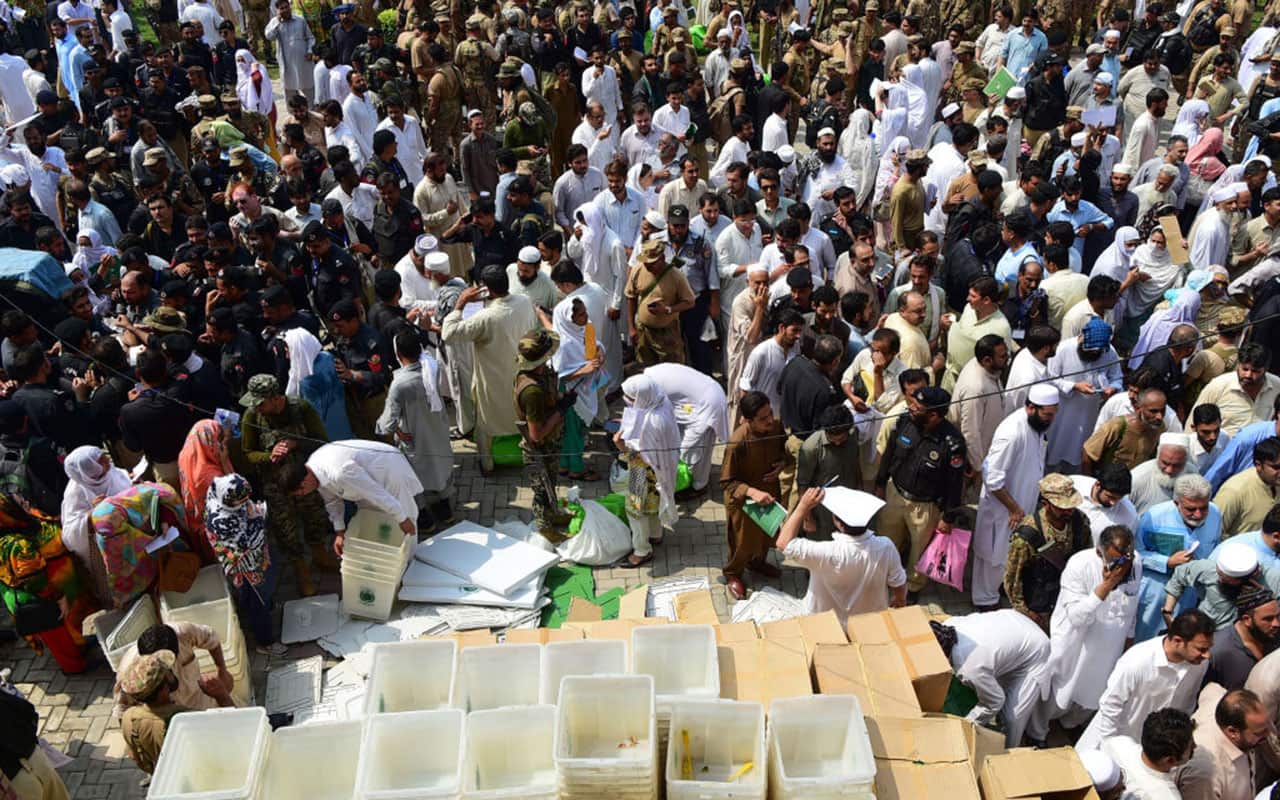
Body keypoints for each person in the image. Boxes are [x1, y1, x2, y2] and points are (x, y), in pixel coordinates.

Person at [239, 374, 334, 597]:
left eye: (261, 403)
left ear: (276, 399)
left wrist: (296, 444)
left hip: (304, 478)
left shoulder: (301, 408)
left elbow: (323, 441)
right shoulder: (252, 416)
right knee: (286, 530)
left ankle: (321, 557)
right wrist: (268, 456)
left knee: (315, 518)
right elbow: (247, 454)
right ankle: (302, 572)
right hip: (275, 485)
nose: (257, 408)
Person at [1043, 525, 1141, 732]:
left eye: (1127, 558)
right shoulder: (1080, 565)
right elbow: (1077, 618)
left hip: (1109, 646)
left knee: (1094, 693)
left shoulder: (1134, 562)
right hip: (1077, 643)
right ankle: (1039, 730)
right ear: (1100, 552)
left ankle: (1069, 726)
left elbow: (1132, 602)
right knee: (1060, 692)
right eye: (1116, 560)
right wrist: (1107, 585)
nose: (1123, 566)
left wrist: (1129, 639)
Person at [440, 264, 536, 475]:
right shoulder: (525, 302)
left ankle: (488, 466)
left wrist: (461, 303)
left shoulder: (486, 317)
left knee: (486, 425)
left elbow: (448, 333)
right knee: (522, 420)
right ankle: (530, 460)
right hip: (522, 378)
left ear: (486, 289)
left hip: (492, 382)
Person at [1075, 609, 1215, 751]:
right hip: (1118, 742)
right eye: (1201, 649)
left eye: (1209, 648)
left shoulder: (1199, 664)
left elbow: (1187, 703)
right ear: (1178, 641)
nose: (1207, 655)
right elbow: (1111, 706)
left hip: (1155, 751)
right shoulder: (1137, 661)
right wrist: (1111, 747)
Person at [973, 383, 1059, 611]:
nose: (1050, 419)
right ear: (1031, 407)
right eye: (1047, 414)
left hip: (1022, 507)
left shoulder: (1037, 426)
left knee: (1008, 555)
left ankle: (998, 591)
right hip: (1003, 510)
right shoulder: (1012, 432)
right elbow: (992, 478)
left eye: (1053, 414)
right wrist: (1013, 508)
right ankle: (984, 603)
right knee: (993, 557)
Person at [874, 386, 967, 594]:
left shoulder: (952, 444)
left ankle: (912, 589)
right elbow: (889, 454)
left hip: (925, 507)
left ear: (933, 415)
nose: (910, 408)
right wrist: (880, 485)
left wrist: (948, 517)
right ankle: (883, 578)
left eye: (917, 407)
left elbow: (955, 484)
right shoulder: (905, 422)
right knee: (886, 541)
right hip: (895, 493)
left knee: (919, 551)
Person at [777, 486, 906, 624]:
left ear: (839, 524)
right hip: (868, 622)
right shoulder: (886, 546)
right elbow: (898, 582)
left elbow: (783, 543)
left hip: (824, 622)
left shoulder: (824, 552)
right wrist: (899, 600)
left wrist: (802, 506)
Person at [932, 609, 1052, 747]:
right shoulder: (948, 625)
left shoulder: (970, 668)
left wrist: (968, 723)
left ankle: (1010, 751)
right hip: (1013, 624)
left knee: (1012, 717)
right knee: (994, 682)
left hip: (1036, 650)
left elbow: (995, 701)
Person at [282, 440, 423, 556]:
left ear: (305, 481)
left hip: (388, 470)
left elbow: (376, 493)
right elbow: (332, 502)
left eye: (301, 492)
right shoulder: (314, 472)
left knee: (406, 520)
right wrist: (340, 532)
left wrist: (402, 518)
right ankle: (386, 559)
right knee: (372, 518)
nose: (303, 494)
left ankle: (411, 564)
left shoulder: (340, 472)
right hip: (363, 480)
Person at [375, 330, 454, 532]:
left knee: (415, 480)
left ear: (398, 354)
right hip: (437, 431)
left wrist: (395, 431)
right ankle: (445, 511)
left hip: (415, 438)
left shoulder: (400, 384)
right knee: (440, 470)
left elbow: (388, 423)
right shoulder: (432, 368)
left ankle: (425, 520)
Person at [1134, 474, 1224, 641]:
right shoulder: (1154, 517)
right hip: (1157, 592)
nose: (1198, 514)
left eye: (1203, 508)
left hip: (1191, 594)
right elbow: (1136, 553)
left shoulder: (1215, 514)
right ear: (1177, 503)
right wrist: (1166, 562)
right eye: (1191, 509)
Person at [203, 474, 285, 657]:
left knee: (254, 595)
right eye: (239, 502)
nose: (245, 504)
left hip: (253, 561)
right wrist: (258, 518)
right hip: (245, 566)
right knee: (258, 600)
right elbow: (244, 546)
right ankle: (265, 642)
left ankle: (258, 611)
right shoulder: (221, 519)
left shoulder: (219, 491)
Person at [720, 390, 791, 600]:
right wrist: (752, 492)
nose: (770, 420)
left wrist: (781, 465)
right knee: (742, 542)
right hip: (743, 500)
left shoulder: (777, 426)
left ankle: (757, 562)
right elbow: (726, 481)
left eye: (770, 413)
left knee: (766, 536)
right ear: (748, 421)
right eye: (763, 419)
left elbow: (784, 452)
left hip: (769, 495)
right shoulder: (737, 443)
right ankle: (733, 573)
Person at [119, 650, 233, 775]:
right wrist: (222, 695)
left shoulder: (128, 717)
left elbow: (133, 755)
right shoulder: (184, 720)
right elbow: (234, 731)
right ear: (164, 688)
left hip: (162, 776)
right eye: (167, 672)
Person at [1005, 474, 1095, 629]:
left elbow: (1088, 557)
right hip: (1040, 607)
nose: (1068, 512)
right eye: (1062, 508)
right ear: (1045, 504)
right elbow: (1012, 579)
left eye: (1071, 507)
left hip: (1071, 599)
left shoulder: (1080, 522)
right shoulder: (1028, 535)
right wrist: (1026, 613)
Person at [512, 328, 574, 538]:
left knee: (552, 483)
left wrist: (560, 398)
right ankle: (545, 528)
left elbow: (551, 394)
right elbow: (536, 434)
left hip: (552, 442)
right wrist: (561, 410)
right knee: (542, 489)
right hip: (538, 449)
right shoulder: (532, 391)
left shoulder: (541, 374)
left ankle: (553, 513)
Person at [615, 374, 680, 567]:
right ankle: (655, 534)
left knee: (635, 510)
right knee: (653, 503)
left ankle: (642, 550)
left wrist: (621, 446)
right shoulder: (661, 401)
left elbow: (641, 458)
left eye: (631, 399)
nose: (628, 402)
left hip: (643, 472)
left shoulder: (651, 424)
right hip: (661, 469)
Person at [645, 362, 729, 499]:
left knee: (693, 449)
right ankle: (690, 476)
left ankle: (699, 486)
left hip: (708, 403)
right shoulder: (652, 372)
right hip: (696, 400)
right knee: (686, 443)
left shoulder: (650, 386)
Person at [59, 446, 130, 604]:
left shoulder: (112, 472)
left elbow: (124, 482)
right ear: (87, 470)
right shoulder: (75, 493)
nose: (107, 461)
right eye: (99, 461)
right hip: (107, 551)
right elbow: (70, 535)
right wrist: (93, 514)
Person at [1178, 688, 1271, 800]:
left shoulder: (1217, 703)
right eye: (1259, 733)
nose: (1268, 734)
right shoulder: (1206, 773)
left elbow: (1211, 688)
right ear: (1232, 732)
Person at [1099, 709, 1196, 800]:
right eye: (1190, 746)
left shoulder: (1118, 744)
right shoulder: (1168, 797)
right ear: (1169, 760)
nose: (1195, 746)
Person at [1204, 583, 1280, 689]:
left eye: (1278, 616)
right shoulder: (1217, 651)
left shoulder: (1275, 639)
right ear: (1247, 620)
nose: (1276, 624)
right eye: (1268, 619)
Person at [1213, 436, 1280, 538]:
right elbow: (1213, 533)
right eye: (1276, 467)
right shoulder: (1234, 491)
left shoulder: (1275, 482)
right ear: (1258, 465)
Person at [1071, 464, 1139, 545]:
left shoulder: (1129, 515)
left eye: (1119, 498)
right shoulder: (1073, 485)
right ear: (1097, 485)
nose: (1113, 503)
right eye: (1110, 497)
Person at [1129, 434, 1199, 514]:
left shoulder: (1193, 474)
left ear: (1185, 461)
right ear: (1157, 456)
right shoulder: (1137, 479)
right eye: (1165, 463)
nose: (1169, 470)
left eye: (1176, 465)